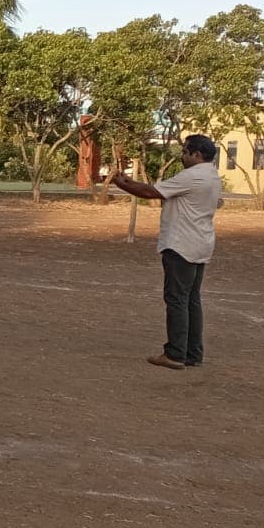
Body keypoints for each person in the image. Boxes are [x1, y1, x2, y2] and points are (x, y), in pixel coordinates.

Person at [110, 136, 224, 370]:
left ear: (197, 155)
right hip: (200, 242)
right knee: (192, 300)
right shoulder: (212, 174)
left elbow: (152, 192)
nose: (182, 156)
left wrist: (122, 184)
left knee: (176, 299)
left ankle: (175, 353)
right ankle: (192, 353)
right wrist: (131, 182)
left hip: (181, 244)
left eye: (185, 152)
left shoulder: (192, 175)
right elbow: (158, 190)